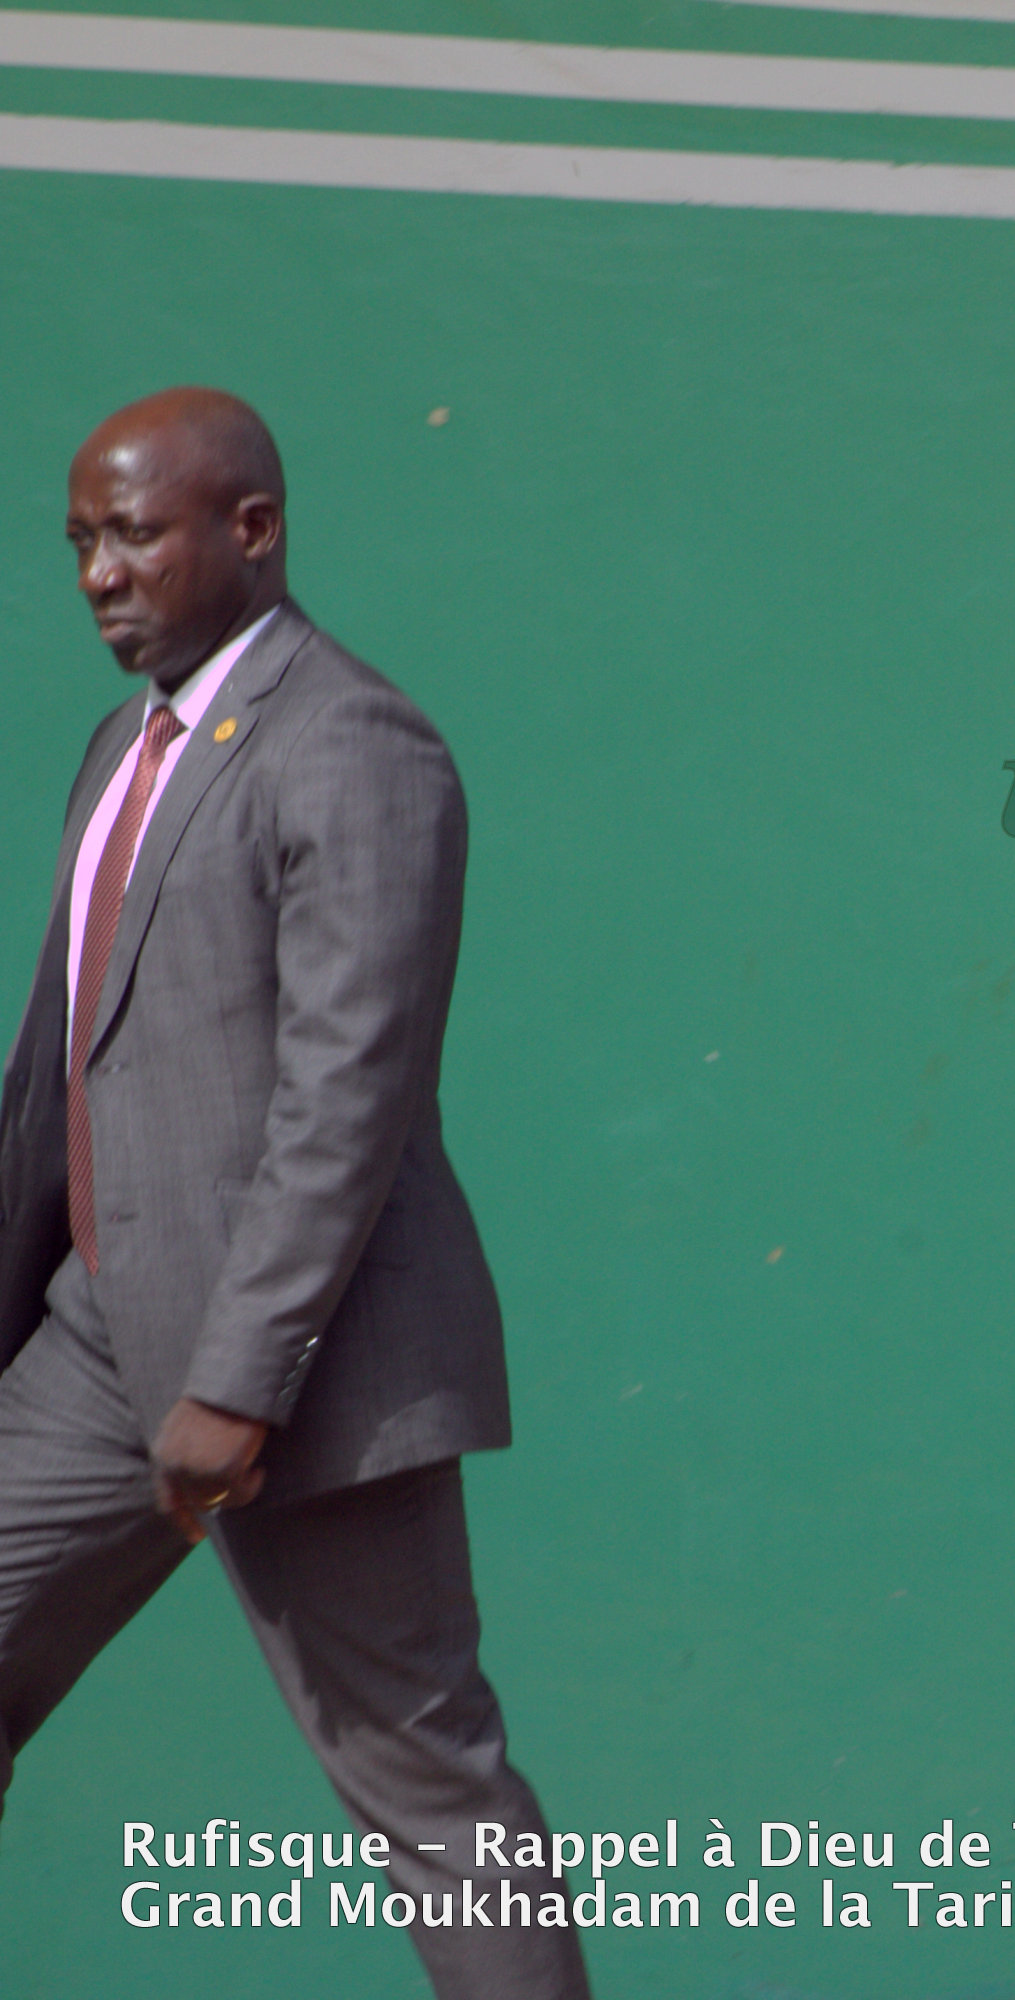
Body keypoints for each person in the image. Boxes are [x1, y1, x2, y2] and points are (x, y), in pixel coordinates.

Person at [0, 389, 589, 1999]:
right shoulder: (122, 749)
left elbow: (351, 1096)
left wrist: (238, 1383)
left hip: (306, 1359)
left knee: (425, 1786)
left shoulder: (355, 744)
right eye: (78, 544)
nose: (97, 575)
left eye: (132, 533)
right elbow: (70, 1065)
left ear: (249, 528)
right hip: (96, 1339)